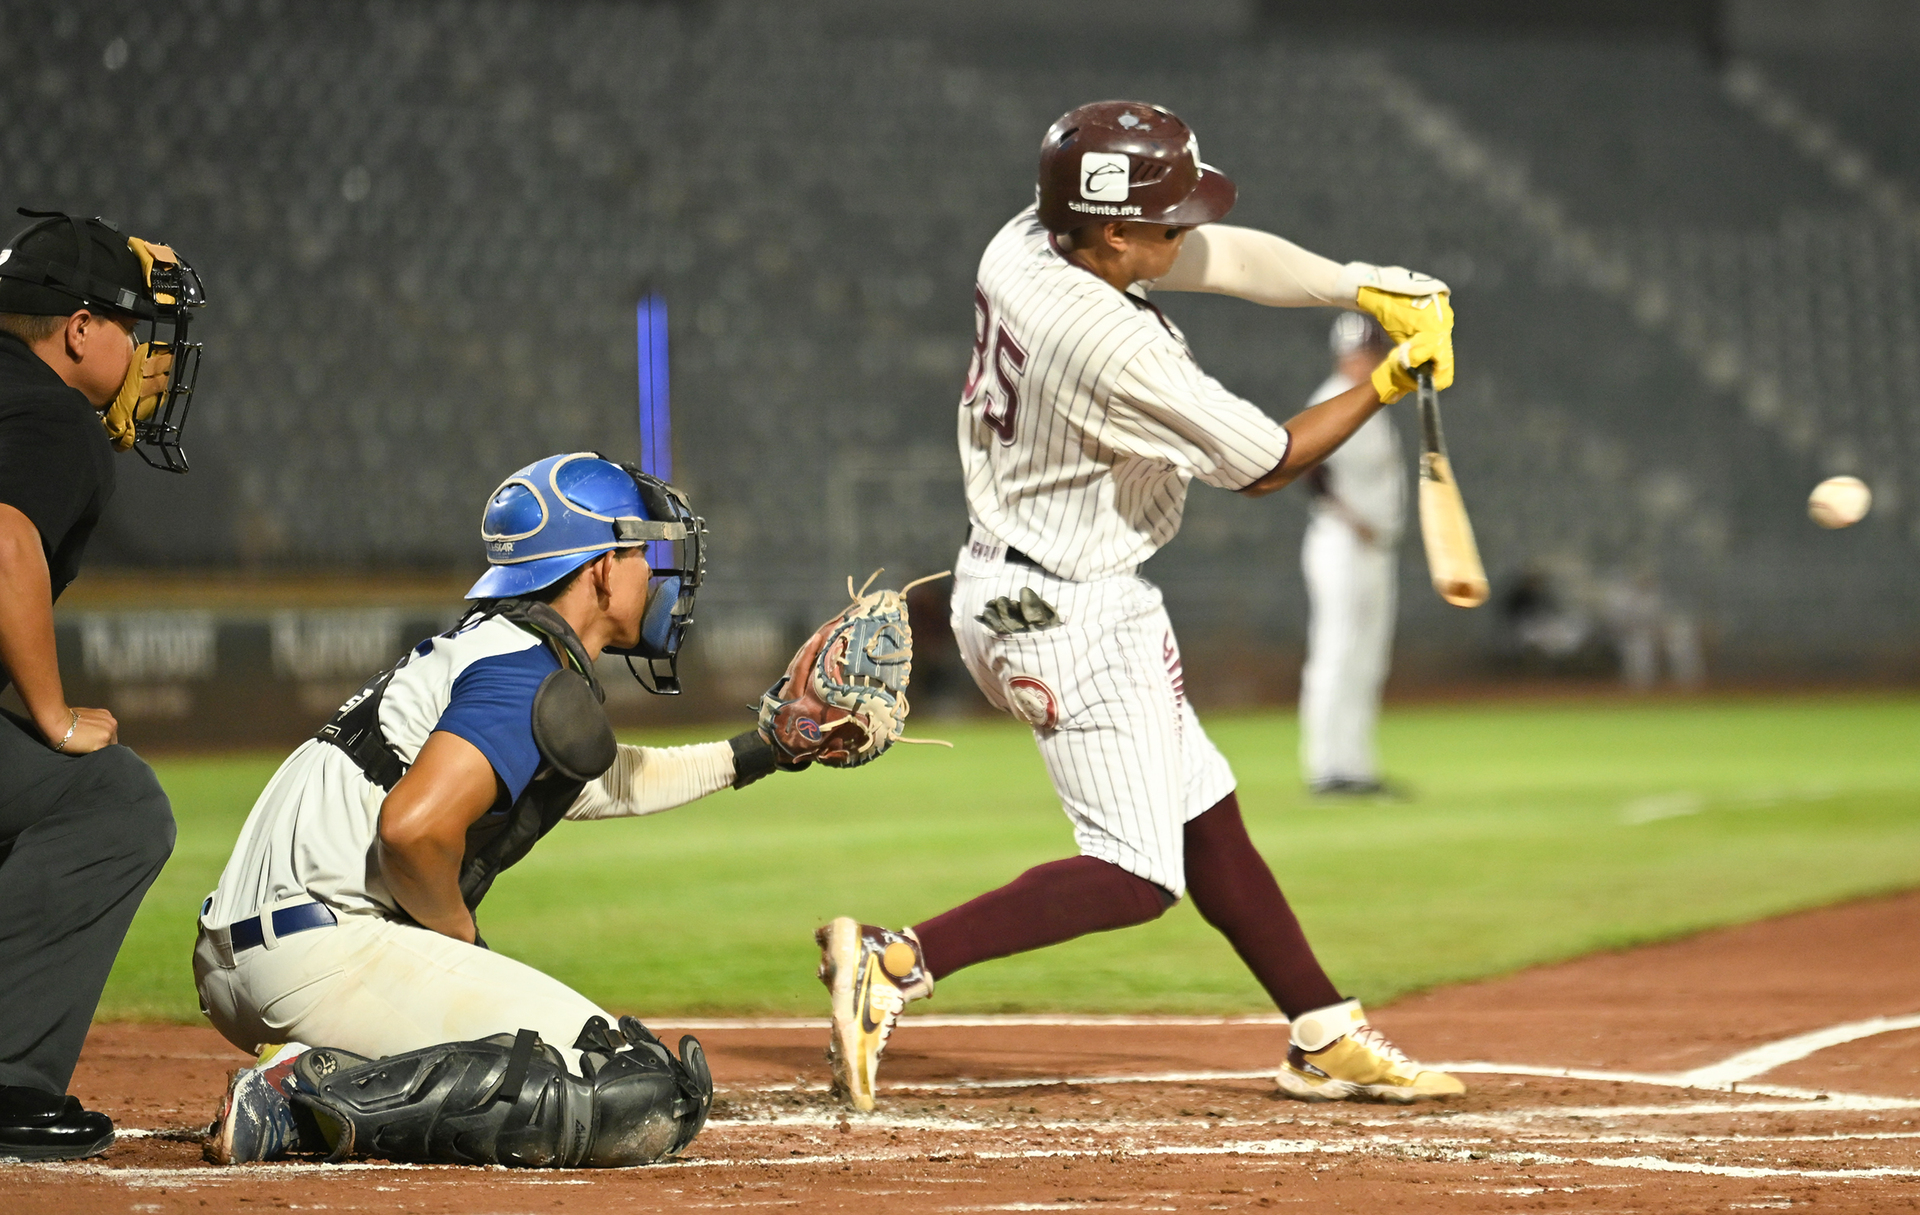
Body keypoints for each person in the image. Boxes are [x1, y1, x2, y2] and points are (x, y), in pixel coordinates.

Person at [815, 100, 1463, 1111]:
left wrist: (1359, 284)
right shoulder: (1112, 344)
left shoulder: (1028, 237)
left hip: (1038, 581)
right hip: (1063, 611)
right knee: (1133, 873)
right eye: (1165, 219)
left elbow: (1223, 261)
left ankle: (1322, 1032)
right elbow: (1269, 462)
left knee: (1205, 813)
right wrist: (1387, 378)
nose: (1185, 232)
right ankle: (895, 967)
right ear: (1114, 231)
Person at [195, 452, 800, 1168]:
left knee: (604, 1064)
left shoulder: (495, 653)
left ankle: (327, 1066)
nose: (653, 572)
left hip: (254, 950)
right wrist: (461, 946)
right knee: (631, 1084)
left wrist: (770, 745)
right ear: (603, 567)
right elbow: (412, 831)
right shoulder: (525, 672)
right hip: (320, 951)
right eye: (641, 551)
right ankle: (295, 1099)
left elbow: (614, 782)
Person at [0, 209, 203, 1161]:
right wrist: (51, 711)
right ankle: (7, 1080)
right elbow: (4, 543)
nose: (153, 356)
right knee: (113, 801)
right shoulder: (49, 413)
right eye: (136, 327)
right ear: (79, 329)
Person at [1299, 313, 1405, 797]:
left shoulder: (1373, 404)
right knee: (1336, 652)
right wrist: (1350, 517)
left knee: (1368, 659)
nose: (1369, 359)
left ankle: (1356, 765)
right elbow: (1308, 468)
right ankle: (1326, 767)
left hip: (1376, 547)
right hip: (1341, 543)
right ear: (1344, 354)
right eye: (1362, 351)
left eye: (1374, 351)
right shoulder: (1330, 399)